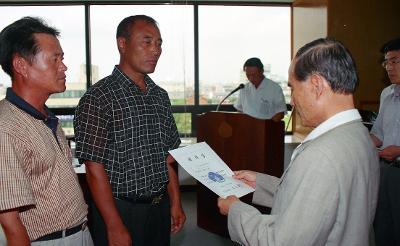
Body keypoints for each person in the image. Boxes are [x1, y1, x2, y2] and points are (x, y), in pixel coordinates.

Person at [218, 38, 379, 246]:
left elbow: (279, 241)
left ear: (317, 85)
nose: (292, 101)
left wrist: (235, 210)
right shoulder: (359, 135)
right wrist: (260, 184)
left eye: (293, 88)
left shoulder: (321, 154)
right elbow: (317, 201)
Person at [74, 15, 186, 246]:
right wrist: (113, 224)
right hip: (119, 209)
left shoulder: (159, 96)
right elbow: (94, 167)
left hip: (159, 206)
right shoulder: (99, 97)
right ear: (122, 44)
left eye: (159, 43)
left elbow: (168, 158)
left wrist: (175, 202)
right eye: (147, 42)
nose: (155, 50)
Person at [0, 17, 93, 245]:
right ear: (21, 65)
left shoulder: (45, 117)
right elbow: (11, 224)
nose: (64, 67)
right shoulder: (6, 127)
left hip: (79, 232)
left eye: (62, 58)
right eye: (54, 59)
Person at [371, 37, 400, 246]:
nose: (389, 67)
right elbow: (378, 134)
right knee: (383, 226)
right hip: (384, 170)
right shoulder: (386, 94)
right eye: (386, 62)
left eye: (395, 61)